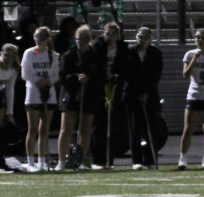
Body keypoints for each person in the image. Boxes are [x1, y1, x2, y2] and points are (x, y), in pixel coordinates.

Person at [57, 26, 104, 171]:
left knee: (85, 129)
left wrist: (89, 79)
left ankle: (81, 161)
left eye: (84, 39)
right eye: (78, 39)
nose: (81, 42)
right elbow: (62, 77)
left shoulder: (95, 56)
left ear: (89, 40)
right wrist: (76, 78)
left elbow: (101, 76)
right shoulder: (68, 55)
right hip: (71, 96)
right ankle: (62, 161)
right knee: (66, 129)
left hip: (88, 96)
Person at [90, 21, 129, 168]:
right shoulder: (97, 47)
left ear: (118, 35)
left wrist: (117, 77)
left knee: (111, 125)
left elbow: (125, 67)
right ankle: (96, 159)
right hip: (99, 89)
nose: (110, 37)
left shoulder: (123, 48)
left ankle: (108, 160)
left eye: (113, 34)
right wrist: (105, 78)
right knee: (98, 125)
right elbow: (95, 67)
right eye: (107, 34)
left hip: (114, 89)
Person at [21, 26, 59, 172]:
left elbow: (56, 74)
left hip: (48, 94)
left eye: (42, 37)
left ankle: (42, 161)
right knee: (32, 129)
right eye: (37, 37)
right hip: (33, 93)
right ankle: (31, 161)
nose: (39, 40)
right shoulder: (29, 53)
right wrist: (39, 80)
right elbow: (25, 74)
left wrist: (48, 81)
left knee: (44, 129)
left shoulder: (52, 54)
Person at [126, 26, 162, 169]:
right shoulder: (130, 52)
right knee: (135, 129)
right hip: (133, 94)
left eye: (145, 37)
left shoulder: (155, 53)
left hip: (150, 95)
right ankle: (137, 160)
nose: (142, 40)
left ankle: (150, 159)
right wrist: (138, 93)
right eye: (139, 37)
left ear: (150, 39)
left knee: (150, 129)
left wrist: (146, 93)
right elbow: (129, 74)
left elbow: (156, 75)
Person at [178, 29, 204, 170]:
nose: (200, 40)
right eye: (197, 37)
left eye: (202, 38)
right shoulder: (189, 54)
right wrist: (194, 59)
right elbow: (185, 75)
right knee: (188, 128)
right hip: (194, 95)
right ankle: (183, 158)